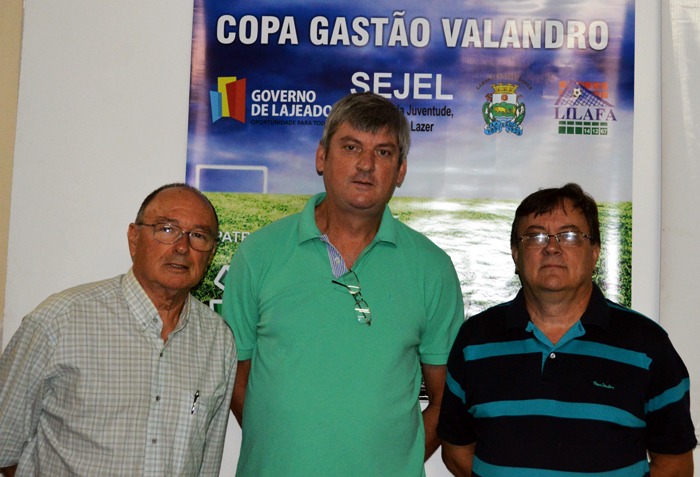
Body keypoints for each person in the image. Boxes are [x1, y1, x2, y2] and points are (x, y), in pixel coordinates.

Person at [222, 91, 464, 476]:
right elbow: (234, 374)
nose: (366, 165)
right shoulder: (259, 254)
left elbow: (447, 397)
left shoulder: (432, 269)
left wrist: (396, 462)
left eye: (384, 152)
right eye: (351, 147)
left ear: (400, 171)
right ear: (322, 157)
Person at [437, 183, 696, 476]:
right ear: (515, 255)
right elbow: (456, 450)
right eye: (534, 236)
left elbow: (674, 464)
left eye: (570, 235)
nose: (551, 247)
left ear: (595, 251)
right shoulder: (475, 340)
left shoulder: (648, 345)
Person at [0, 183, 237, 477]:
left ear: (211, 254)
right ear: (134, 239)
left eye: (198, 236)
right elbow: (4, 447)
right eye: (166, 229)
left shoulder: (218, 340)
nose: (182, 246)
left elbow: (207, 462)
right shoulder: (61, 319)